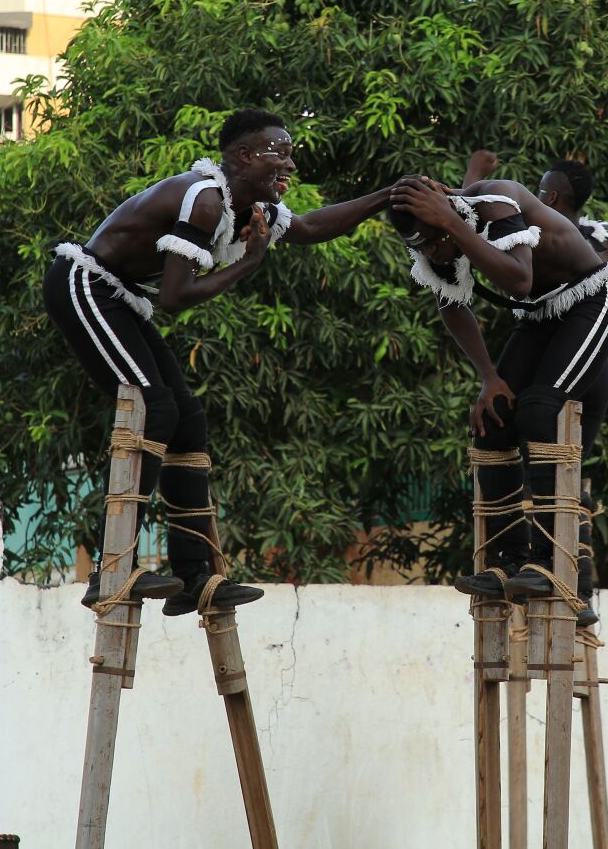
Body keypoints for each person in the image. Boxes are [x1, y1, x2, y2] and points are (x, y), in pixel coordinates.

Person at [44, 109, 394, 615]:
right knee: (152, 408)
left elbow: (313, 226)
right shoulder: (205, 199)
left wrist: (387, 196)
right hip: (84, 285)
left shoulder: (254, 205)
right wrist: (249, 263)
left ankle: (194, 577)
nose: (289, 165)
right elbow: (174, 296)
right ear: (246, 156)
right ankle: (112, 569)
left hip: (118, 296)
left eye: (291, 155)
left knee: (187, 422)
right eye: (280, 153)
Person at [388, 174, 608, 626]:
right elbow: (451, 302)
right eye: (426, 248)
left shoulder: (497, 201)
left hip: (593, 299)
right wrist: (489, 378)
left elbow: (519, 279)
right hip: (539, 315)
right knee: (493, 423)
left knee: (538, 413)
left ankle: (551, 564)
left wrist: (453, 227)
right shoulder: (435, 235)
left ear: (449, 215)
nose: (437, 254)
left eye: (437, 242)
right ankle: (509, 559)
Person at [463, 138, 608, 265]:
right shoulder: (604, 239)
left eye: (540, 191)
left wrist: (475, 171)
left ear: (552, 197)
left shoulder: (533, 235)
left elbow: (469, 221)